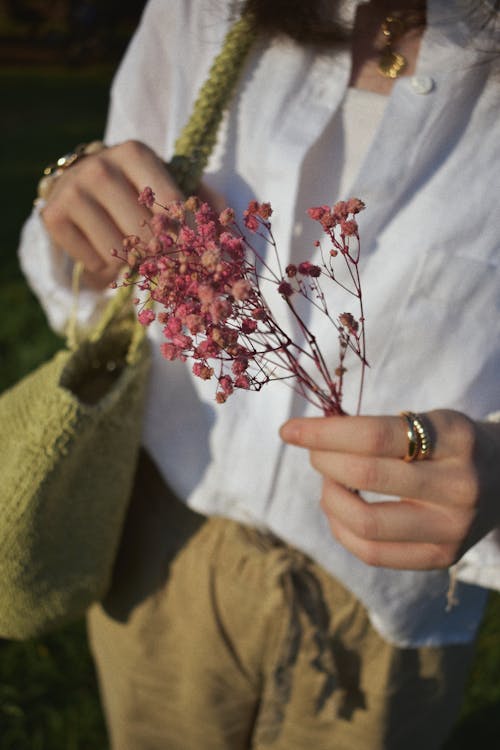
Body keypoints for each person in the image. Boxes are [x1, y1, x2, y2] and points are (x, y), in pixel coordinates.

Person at [18, 0, 500, 747]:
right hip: (161, 551)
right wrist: (80, 204)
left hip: (381, 621)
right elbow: (96, 274)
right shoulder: (203, 11)